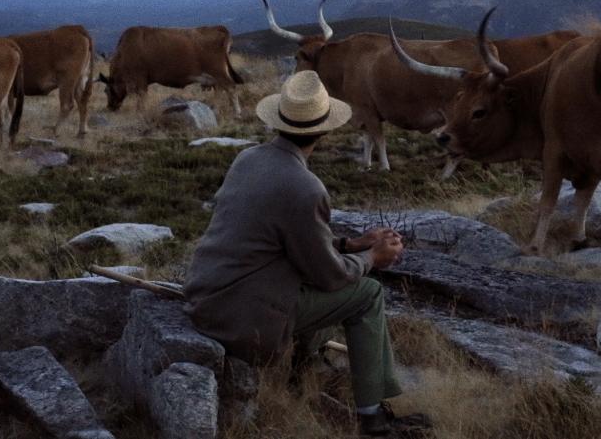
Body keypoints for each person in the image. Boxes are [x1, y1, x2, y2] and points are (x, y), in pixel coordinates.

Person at [184, 71, 430, 436]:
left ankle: (302, 373)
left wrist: (351, 244)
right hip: (243, 321)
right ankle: (372, 418)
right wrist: (372, 259)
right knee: (366, 294)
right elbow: (328, 275)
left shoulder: (248, 159)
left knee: (331, 281)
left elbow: (280, 242)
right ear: (325, 130)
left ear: (279, 121)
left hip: (207, 300)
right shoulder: (305, 187)